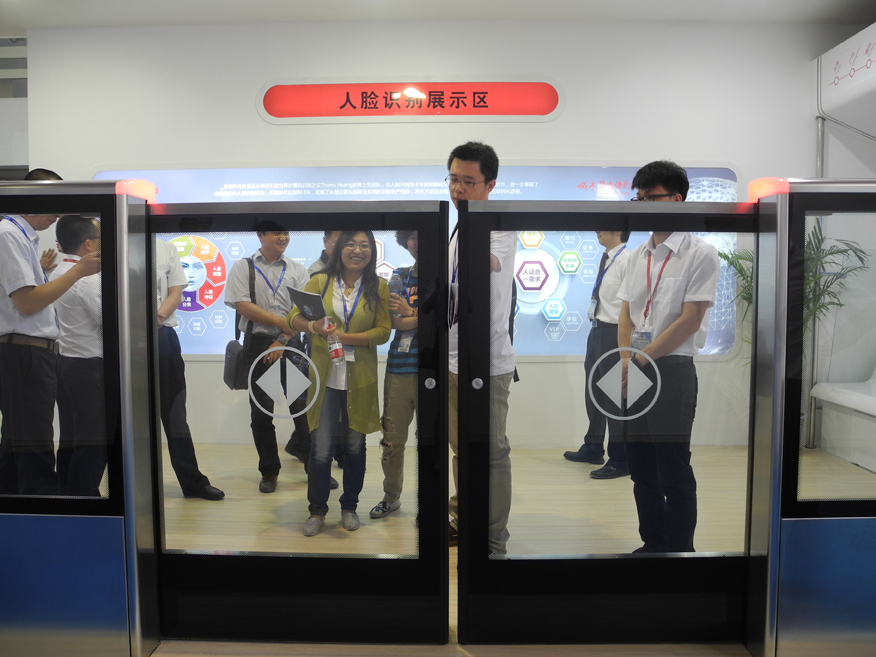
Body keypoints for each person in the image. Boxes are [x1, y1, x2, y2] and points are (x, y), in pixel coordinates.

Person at [618, 160, 720, 553]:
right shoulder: (635, 255)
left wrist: (640, 359)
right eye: (639, 199)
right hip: (634, 365)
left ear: (676, 200)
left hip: (672, 369)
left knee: (673, 466)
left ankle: (679, 551)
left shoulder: (701, 253)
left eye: (651, 198)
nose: (643, 206)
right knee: (640, 466)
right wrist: (626, 359)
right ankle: (652, 544)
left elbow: (690, 320)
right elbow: (626, 313)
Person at [289, 230, 391, 536]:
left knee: (355, 447)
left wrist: (345, 338)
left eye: (364, 245)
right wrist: (314, 327)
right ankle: (317, 511)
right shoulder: (320, 281)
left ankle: (349, 507)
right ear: (339, 249)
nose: (357, 250)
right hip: (325, 379)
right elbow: (293, 317)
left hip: (360, 379)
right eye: (351, 244)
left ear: (372, 251)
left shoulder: (378, 286)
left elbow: (383, 331)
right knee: (320, 449)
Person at [0, 201, 101, 495]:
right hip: (26, 353)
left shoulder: (22, 237)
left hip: (35, 353)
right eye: (54, 205)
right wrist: (79, 271)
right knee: (35, 446)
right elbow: (28, 303)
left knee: (19, 447)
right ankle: (46, 513)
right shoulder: (9, 234)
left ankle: (20, 511)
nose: (57, 215)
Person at [446, 141, 516, 556]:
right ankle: (463, 520)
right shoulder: (456, 227)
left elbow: (484, 263)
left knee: (491, 454)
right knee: (461, 449)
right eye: (453, 179)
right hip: (453, 358)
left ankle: (491, 542)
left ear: (490, 184)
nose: (458, 189)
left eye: (468, 182)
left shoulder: (499, 225)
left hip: (487, 362)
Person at [225, 226, 310, 494]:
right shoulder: (243, 267)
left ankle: (315, 468)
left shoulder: (297, 269)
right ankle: (269, 471)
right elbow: (243, 305)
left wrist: (283, 338)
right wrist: (282, 324)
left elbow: (305, 313)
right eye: (275, 232)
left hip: (292, 344)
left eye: (285, 232)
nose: (283, 237)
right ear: (260, 236)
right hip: (258, 344)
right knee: (261, 413)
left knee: (303, 410)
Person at [155, 238, 225, 500]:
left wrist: (155, 318)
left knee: (174, 414)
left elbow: (176, 292)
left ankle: (193, 483)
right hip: (119, 336)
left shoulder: (165, 248)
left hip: (161, 334)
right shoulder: (107, 242)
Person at [563, 230, 631, 479]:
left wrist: (626, 344)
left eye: (603, 226)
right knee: (594, 393)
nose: (597, 230)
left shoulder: (627, 260)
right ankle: (593, 447)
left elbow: (631, 305)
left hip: (615, 333)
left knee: (615, 399)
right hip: (597, 330)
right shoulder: (606, 258)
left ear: (618, 230)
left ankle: (620, 458)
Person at [51, 216, 107, 496]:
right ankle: (84, 496)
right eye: (99, 240)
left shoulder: (57, 272)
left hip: (65, 363)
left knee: (71, 436)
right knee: (94, 439)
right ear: (88, 244)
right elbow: (108, 320)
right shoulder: (88, 279)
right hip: (89, 367)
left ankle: (68, 494)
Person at [370, 230, 419, 519]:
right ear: (405, 242)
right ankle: (391, 497)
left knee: (433, 442)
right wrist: (416, 317)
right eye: (412, 237)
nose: (418, 241)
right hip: (399, 369)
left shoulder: (447, 278)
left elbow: (447, 319)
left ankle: (432, 500)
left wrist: (410, 312)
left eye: (422, 234)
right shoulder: (399, 276)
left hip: (435, 370)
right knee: (391, 440)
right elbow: (394, 322)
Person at [285, 230, 342, 463]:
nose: (345, 247)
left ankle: (298, 445)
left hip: (342, 342)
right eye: (338, 242)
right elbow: (302, 314)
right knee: (324, 397)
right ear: (325, 241)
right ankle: (322, 453)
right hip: (319, 342)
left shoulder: (349, 271)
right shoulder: (316, 273)